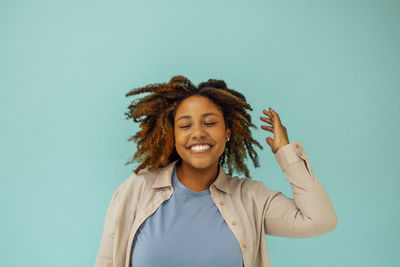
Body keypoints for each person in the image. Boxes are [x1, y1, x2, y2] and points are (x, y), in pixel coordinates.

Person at [94, 75, 338, 267]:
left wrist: (286, 152)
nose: (198, 133)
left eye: (210, 123)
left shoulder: (250, 199)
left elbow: (320, 221)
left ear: (227, 132)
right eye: (185, 125)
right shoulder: (135, 191)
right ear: (174, 135)